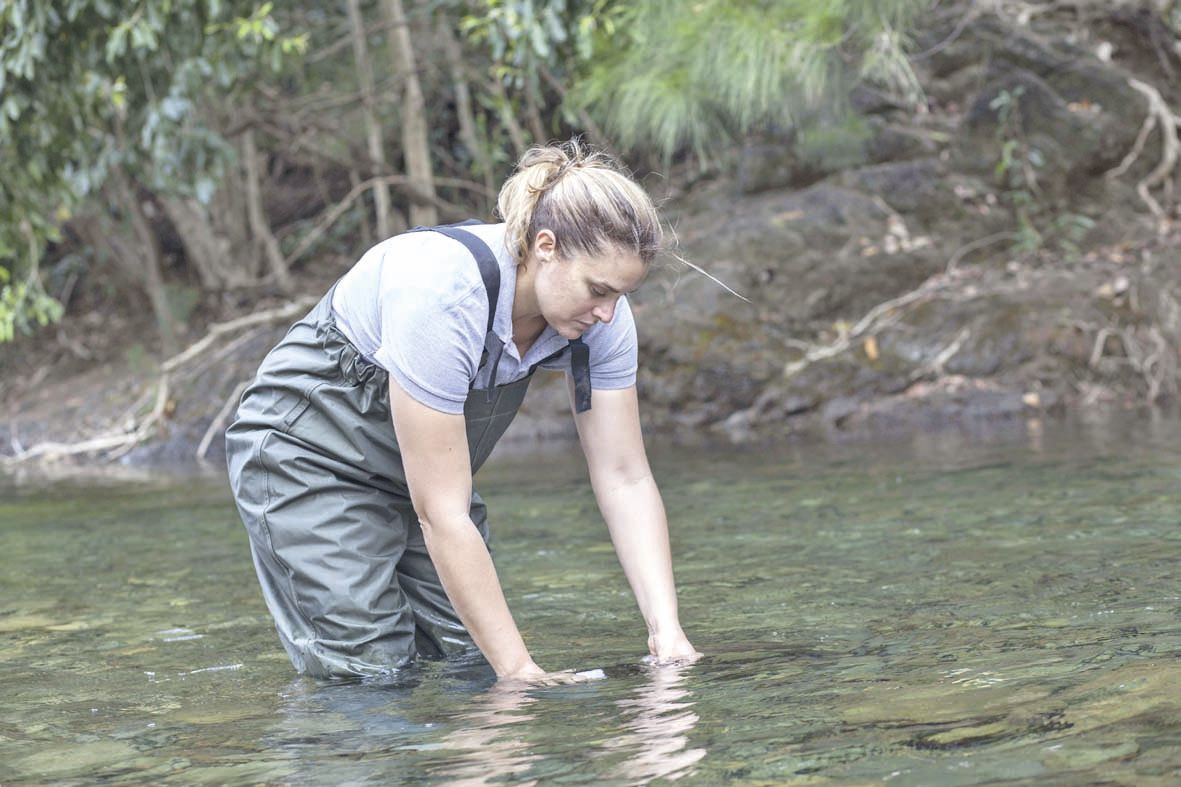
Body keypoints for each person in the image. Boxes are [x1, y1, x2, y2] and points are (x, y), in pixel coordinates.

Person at [226, 140, 699, 682]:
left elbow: (625, 477)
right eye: (598, 290)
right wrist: (522, 673)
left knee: (468, 661)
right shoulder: (445, 295)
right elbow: (443, 514)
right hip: (306, 457)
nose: (608, 312)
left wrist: (667, 634)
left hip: (417, 471)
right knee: (371, 671)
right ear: (545, 246)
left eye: (621, 294)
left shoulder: (602, 320)